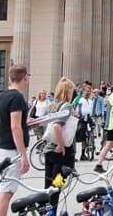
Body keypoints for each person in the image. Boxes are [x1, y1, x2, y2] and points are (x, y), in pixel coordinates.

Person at [0, 65, 31, 216]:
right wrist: (23, 155)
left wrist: (8, 128)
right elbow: (15, 127)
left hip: (1, 147)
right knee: (7, 191)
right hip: (11, 150)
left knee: (5, 189)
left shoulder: (1, 96)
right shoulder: (17, 97)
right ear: (24, 77)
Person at [42, 78, 76, 211]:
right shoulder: (67, 106)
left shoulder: (51, 106)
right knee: (57, 185)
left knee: (48, 187)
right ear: (68, 91)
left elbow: (40, 126)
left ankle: (47, 211)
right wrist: (61, 145)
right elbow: (57, 126)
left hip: (49, 150)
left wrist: (47, 138)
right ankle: (52, 212)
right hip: (61, 152)